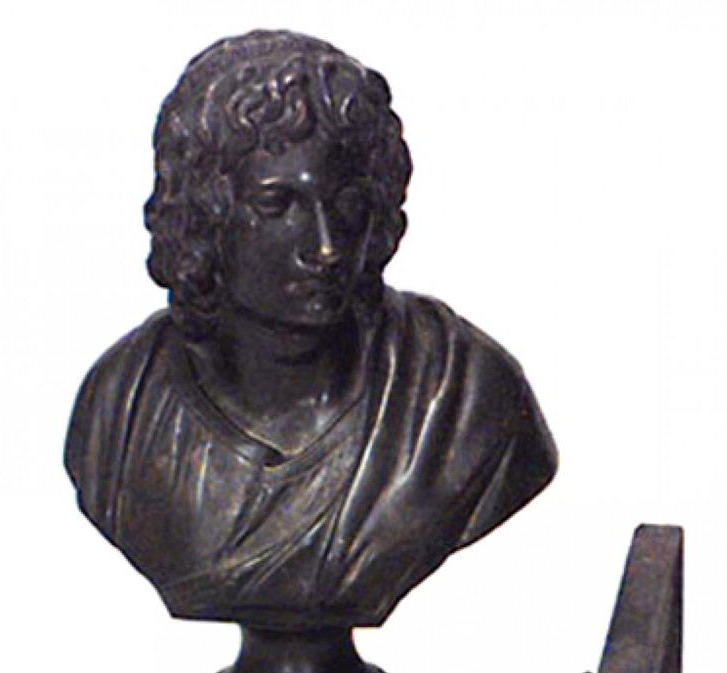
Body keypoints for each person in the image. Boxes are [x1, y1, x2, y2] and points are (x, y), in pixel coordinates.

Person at [65, 30, 557, 634]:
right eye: (278, 206)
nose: (326, 247)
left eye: (346, 202)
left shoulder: (463, 397)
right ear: (204, 215)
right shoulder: (122, 408)